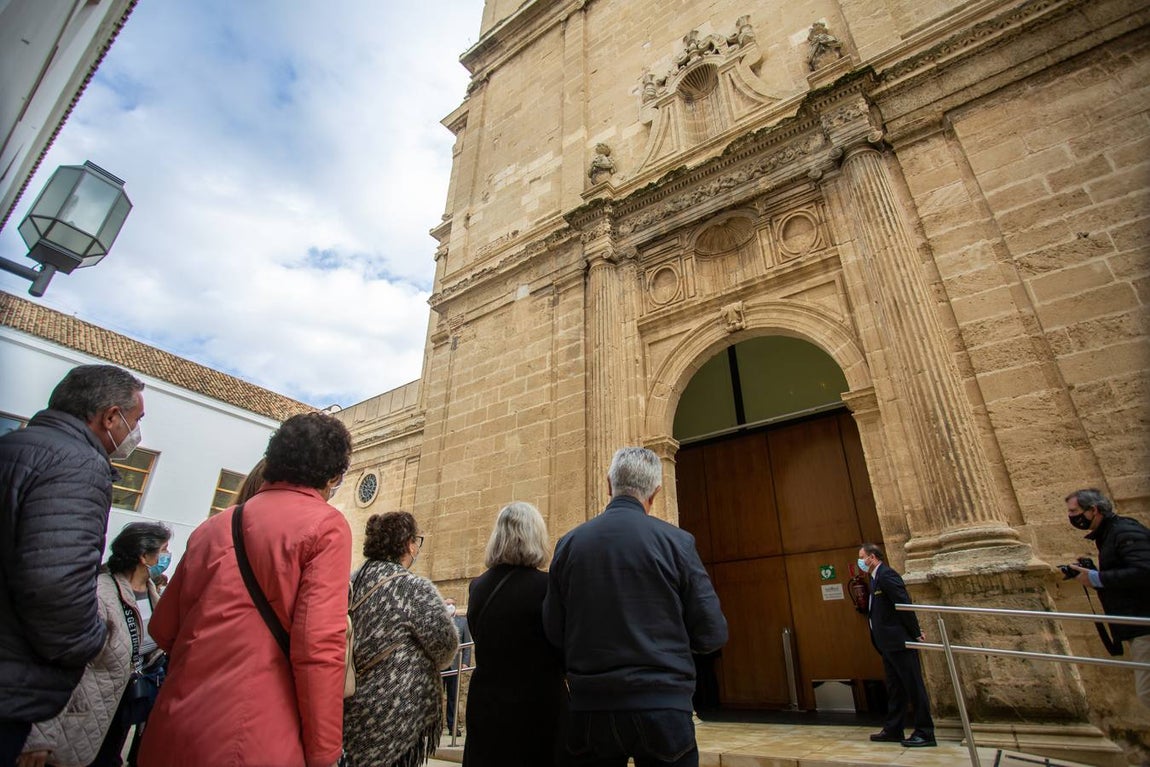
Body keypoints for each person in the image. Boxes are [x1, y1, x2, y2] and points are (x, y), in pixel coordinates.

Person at [137, 412, 353, 767]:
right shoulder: (326, 526)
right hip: (254, 732)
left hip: (173, 726)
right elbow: (318, 649)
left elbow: (162, 628)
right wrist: (324, 751)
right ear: (332, 476)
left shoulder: (213, 527)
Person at [543, 447, 727, 767]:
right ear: (656, 492)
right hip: (664, 708)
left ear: (608, 485)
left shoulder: (570, 543)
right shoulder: (677, 543)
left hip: (591, 709)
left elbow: (553, 629)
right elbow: (712, 632)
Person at [0, 364, 145, 764]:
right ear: (110, 416)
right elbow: (54, 584)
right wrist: (91, 643)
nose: (136, 433)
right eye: (136, 420)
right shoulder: (79, 464)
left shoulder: (16, 446)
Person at [19, 523, 170, 767]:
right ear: (144, 556)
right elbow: (63, 663)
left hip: (121, 709)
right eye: (164, 550)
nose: (167, 557)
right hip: (85, 713)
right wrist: (41, 734)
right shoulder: (100, 595)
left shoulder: (152, 593)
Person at [342, 512, 459, 767]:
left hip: (349, 710)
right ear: (408, 544)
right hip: (396, 715)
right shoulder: (412, 587)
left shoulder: (351, 582)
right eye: (416, 541)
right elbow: (446, 646)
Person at [463, 502, 567, 767]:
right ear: (536, 536)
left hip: (487, 705)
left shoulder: (478, 587)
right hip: (538, 707)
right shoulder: (547, 587)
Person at [1064, 488, 1150, 706]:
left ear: (1093, 510)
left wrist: (1097, 578)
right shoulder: (1109, 534)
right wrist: (1093, 574)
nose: (1072, 517)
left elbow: (1145, 571)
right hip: (1137, 623)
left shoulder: (1124, 531)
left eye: (1074, 511)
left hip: (1144, 624)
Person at [857, 543, 935, 748]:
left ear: (872, 557)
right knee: (896, 688)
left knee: (913, 686)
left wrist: (916, 633)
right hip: (887, 644)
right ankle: (894, 728)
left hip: (899, 641)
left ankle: (925, 732)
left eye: (862, 557)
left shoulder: (887, 575)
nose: (860, 562)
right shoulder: (875, 579)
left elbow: (903, 604)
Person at [442, 597, 472, 737]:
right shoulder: (438, 621)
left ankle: (452, 725)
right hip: (440, 666)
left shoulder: (463, 622)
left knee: (453, 697)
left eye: (452, 604)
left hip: (454, 666)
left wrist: (465, 662)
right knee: (436, 699)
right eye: (447, 604)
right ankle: (433, 727)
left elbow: (467, 643)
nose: (450, 606)